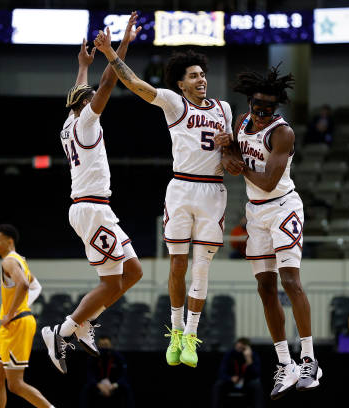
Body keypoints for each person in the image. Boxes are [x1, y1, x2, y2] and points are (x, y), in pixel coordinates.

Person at [94, 27, 233, 369]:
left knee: (202, 268)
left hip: (213, 190)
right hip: (182, 187)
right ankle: (173, 330)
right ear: (181, 83)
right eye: (193, 76)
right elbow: (137, 85)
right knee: (178, 264)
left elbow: (234, 151)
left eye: (203, 75)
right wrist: (112, 54)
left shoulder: (225, 108)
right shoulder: (174, 102)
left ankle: (190, 336)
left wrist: (230, 145)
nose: (201, 80)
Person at [41, 13, 143, 374]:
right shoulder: (86, 120)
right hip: (92, 208)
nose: (97, 103)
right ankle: (62, 330)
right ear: (83, 106)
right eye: (90, 101)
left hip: (94, 207)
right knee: (111, 281)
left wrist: (82, 65)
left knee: (132, 273)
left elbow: (82, 89)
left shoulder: (69, 122)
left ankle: (83, 323)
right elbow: (108, 80)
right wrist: (117, 48)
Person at [216, 66, 322, 400]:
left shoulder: (282, 133)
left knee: (290, 281)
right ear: (249, 102)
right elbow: (233, 152)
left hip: (284, 207)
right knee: (265, 287)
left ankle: (309, 359)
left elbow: (267, 181)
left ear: (275, 109)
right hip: (255, 212)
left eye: (267, 111)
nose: (261, 116)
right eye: (257, 108)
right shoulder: (242, 122)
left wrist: (238, 164)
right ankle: (284, 364)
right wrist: (227, 151)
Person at [0, 224, 54, 408]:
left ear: (9, 241)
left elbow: (24, 284)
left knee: (15, 384)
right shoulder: (19, 260)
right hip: (11, 325)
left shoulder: (9, 261)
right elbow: (36, 286)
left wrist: (11, 313)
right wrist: (22, 307)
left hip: (16, 324)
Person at [80, 335, 134, 408]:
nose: (104, 347)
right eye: (101, 345)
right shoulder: (93, 357)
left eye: (106, 345)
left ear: (110, 345)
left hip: (114, 384)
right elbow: (89, 373)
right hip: (98, 384)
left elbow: (124, 373)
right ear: (97, 345)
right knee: (86, 389)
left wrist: (115, 385)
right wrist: (98, 385)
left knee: (127, 388)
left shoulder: (118, 357)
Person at [211, 338, 263, 408]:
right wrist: (230, 378)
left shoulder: (253, 355)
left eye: (242, 347)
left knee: (257, 384)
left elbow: (256, 374)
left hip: (247, 381)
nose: (239, 348)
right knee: (218, 384)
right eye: (238, 346)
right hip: (231, 381)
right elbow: (221, 372)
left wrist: (249, 359)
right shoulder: (229, 354)